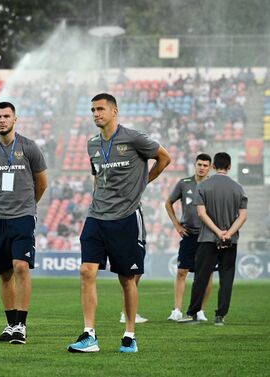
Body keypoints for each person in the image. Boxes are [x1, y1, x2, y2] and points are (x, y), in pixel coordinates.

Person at [67, 93, 171, 354]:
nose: (96, 114)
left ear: (115, 111)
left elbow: (164, 158)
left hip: (126, 217)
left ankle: (129, 336)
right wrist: (96, 199)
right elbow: (97, 176)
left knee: (127, 279)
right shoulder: (92, 144)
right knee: (86, 271)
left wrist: (142, 183)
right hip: (96, 216)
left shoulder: (134, 138)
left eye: (100, 109)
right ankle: (89, 335)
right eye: (92, 110)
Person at [0, 102, 48, 345]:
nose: (2, 120)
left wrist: (28, 205)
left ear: (15, 119)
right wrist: (2, 203)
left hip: (23, 217)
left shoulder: (29, 147)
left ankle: (21, 325)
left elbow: (42, 182)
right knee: (4, 272)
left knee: (21, 266)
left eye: (6, 116)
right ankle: (10, 324)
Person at [178, 152, 248, 326]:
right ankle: (220, 316)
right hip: (230, 240)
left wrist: (217, 231)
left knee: (201, 277)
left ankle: (193, 313)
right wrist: (228, 233)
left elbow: (201, 214)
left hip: (207, 238)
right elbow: (243, 216)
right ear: (230, 166)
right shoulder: (238, 188)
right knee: (226, 277)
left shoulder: (203, 186)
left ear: (214, 166)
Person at [165, 154, 213, 322]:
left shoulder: (213, 185)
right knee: (181, 272)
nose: (202, 167)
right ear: (195, 165)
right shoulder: (184, 183)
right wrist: (177, 225)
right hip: (189, 234)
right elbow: (168, 203)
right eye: (199, 164)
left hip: (208, 236)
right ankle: (177, 309)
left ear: (210, 167)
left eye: (205, 165)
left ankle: (200, 310)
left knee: (206, 275)